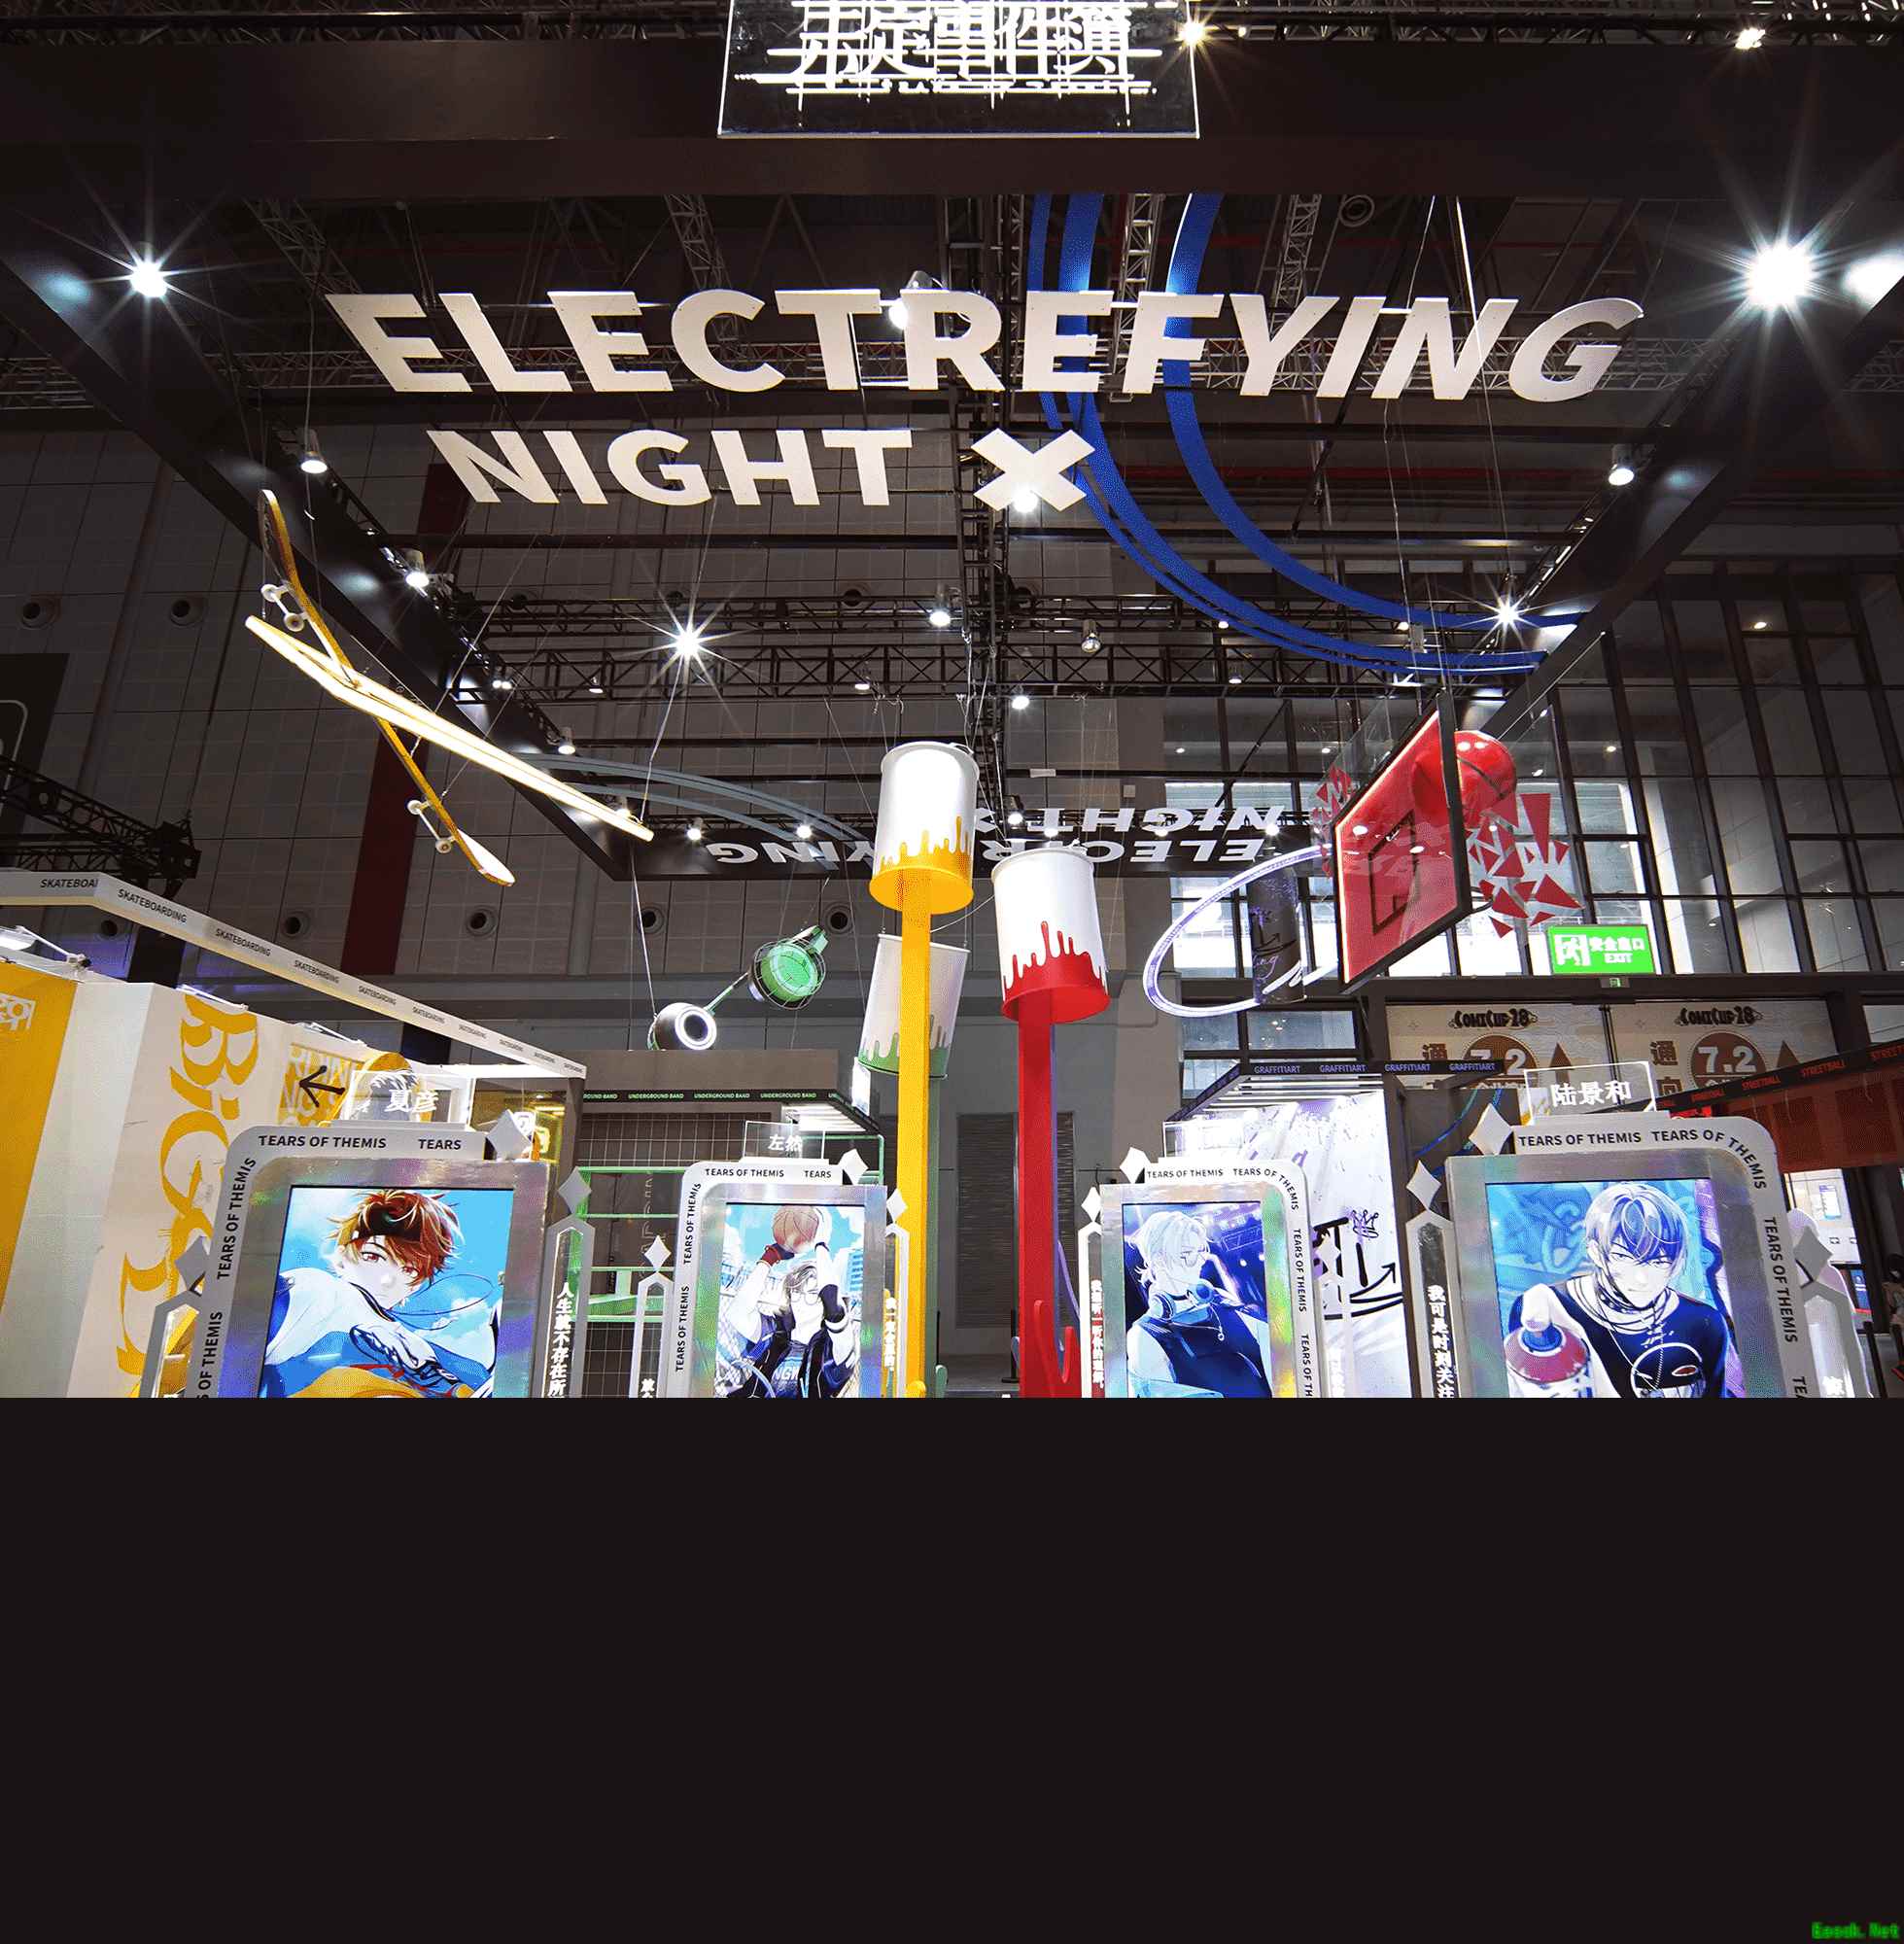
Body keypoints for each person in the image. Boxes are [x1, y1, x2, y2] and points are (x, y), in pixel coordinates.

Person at [262, 1189, 496, 1398]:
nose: (387, 1279)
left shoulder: (441, 1357)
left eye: (408, 1269)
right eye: (373, 1257)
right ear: (341, 1258)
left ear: (415, 1284)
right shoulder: (320, 1292)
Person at [1507, 1183, 1729, 1399]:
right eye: (1623, 1257)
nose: (1642, 1279)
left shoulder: (1703, 1322)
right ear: (1595, 1252)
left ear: (1676, 1261)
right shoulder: (1545, 1307)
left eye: (1659, 1261)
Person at [1125, 1207, 1274, 1398]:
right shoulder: (1145, 1335)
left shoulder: (1224, 1304)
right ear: (1159, 1260)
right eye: (1188, 1253)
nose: (1199, 1261)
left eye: (1200, 1251)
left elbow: (1278, 1355)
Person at [720, 1204, 858, 1398]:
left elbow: (834, 1307)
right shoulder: (775, 1335)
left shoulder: (832, 1349)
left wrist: (820, 1244)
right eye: (797, 1292)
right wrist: (770, 1257)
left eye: (812, 1293)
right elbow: (738, 1313)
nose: (802, 1300)